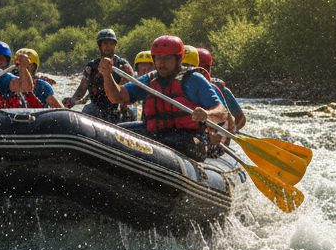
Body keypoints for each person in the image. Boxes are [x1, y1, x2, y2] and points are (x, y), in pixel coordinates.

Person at [99, 35, 227, 162]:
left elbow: (221, 112)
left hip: (189, 138)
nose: (161, 63)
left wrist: (207, 114)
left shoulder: (193, 80)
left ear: (178, 59)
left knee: (174, 142)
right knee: (113, 133)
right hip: (155, 134)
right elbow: (117, 96)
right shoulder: (149, 80)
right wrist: (107, 74)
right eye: (158, 58)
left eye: (167, 58)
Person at [62, 28, 133, 123]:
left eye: (111, 43)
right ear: (100, 46)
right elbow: (82, 87)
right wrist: (73, 100)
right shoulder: (91, 66)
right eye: (105, 44)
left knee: (130, 112)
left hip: (117, 106)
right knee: (87, 111)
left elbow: (129, 89)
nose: (108, 47)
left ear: (115, 45)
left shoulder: (123, 65)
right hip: (96, 106)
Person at [196, 47, 246, 132]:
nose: (203, 72)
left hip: (216, 137)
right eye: (199, 69)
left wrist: (227, 133)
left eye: (206, 68)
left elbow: (241, 118)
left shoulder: (220, 89)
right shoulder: (182, 86)